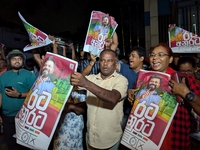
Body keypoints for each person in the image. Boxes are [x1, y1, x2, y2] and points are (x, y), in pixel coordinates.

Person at [128, 43, 200, 150]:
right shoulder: (143, 79)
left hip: (174, 140)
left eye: (161, 55)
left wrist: (186, 93)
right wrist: (132, 94)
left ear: (170, 59)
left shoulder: (184, 79)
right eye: (152, 55)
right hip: (145, 140)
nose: (155, 58)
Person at [70, 49, 128, 150]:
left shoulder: (121, 80)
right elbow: (75, 81)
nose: (105, 64)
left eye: (109, 61)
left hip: (110, 140)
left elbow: (113, 98)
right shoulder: (92, 78)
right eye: (102, 60)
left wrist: (86, 83)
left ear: (116, 64)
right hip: (91, 138)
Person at [0, 49, 36, 150]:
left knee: (24, 143)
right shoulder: (3, 76)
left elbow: (35, 93)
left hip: (24, 115)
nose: (17, 61)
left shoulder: (29, 75)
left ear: (23, 61)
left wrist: (18, 94)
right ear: (9, 62)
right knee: (10, 142)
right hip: (7, 116)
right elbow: (0, 95)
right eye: (14, 59)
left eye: (19, 59)